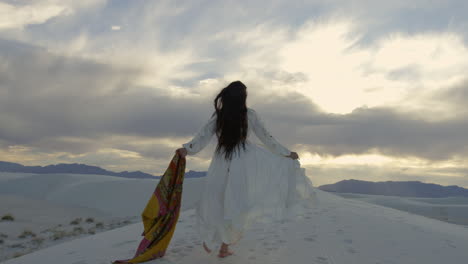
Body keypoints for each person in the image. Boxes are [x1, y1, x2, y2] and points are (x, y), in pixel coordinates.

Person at [176, 80, 316, 258]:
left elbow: (202, 135)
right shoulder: (249, 115)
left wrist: (187, 149)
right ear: (242, 98)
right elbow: (266, 137)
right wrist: (286, 153)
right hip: (242, 161)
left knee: (216, 199)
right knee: (236, 202)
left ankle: (212, 238)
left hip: (221, 160)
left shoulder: (220, 115)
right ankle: (223, 247)